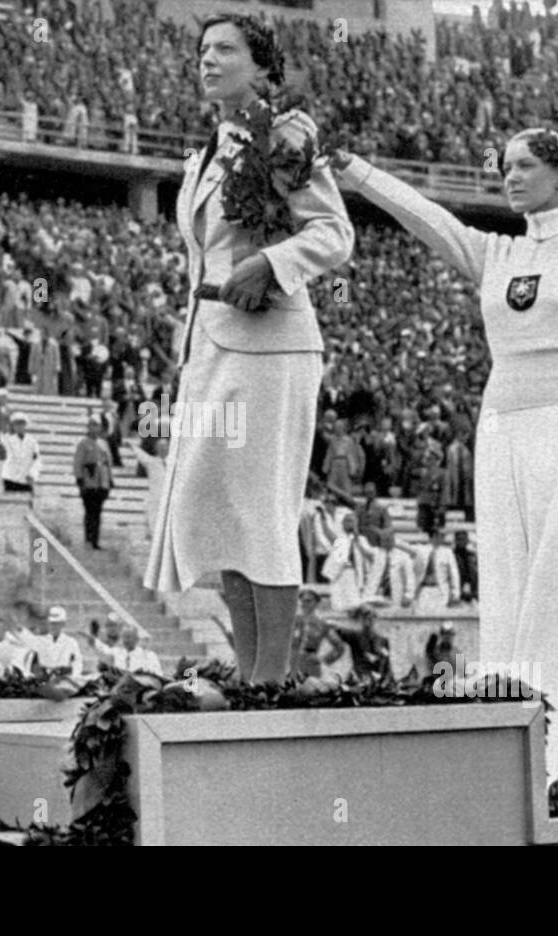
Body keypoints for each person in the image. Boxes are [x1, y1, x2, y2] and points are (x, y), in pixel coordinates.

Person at [331, 126, 558, 789]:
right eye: (504, 166)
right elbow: (426, 217)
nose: (511, 175)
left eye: (526, 165)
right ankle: (514, 766)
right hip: (500, 432)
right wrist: (354, 169)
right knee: (505, 591)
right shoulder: (495, 253)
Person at [145, 15, 354, 685]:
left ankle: (271, 676)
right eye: (203, 49)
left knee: (261, 507)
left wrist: (270, 263)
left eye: (225, 49)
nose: (209, 59)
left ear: (262, 68)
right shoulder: (204, 151)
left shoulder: (287, 136)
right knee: (217, 505)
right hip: (212, 343)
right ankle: (249, 670)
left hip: (273, 346)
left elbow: (334, 233)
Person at [74, 413, 113, 549]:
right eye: (92, 425)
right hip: (89, 481)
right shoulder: (83, 443)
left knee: (98, 512)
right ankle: (88, 539)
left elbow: (108, 463)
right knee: (89, 512)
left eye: (97, 426)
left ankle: (95, 540)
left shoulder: (103, 443)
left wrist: (110, 480)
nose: (95, 429)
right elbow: (78, 463)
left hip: (101, 482)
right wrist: (80, 480)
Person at [37, 606, 83, 678]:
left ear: (63, 624)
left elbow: (77, 662)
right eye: (51, 623)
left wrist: (74, 676)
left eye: (57, 623)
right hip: (43, 680)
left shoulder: (71, 642)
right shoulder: (39, 641)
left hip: (63, 680)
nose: (54, 626)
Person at [0, 412, 41, 493]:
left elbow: (36, 459)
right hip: (10, 476)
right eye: (16, 424)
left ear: (25, 425)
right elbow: (2, 436)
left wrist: (33, 474)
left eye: (21, 424)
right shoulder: (8, 440)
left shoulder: (32, 441)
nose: (19, 426)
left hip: (26, 477)